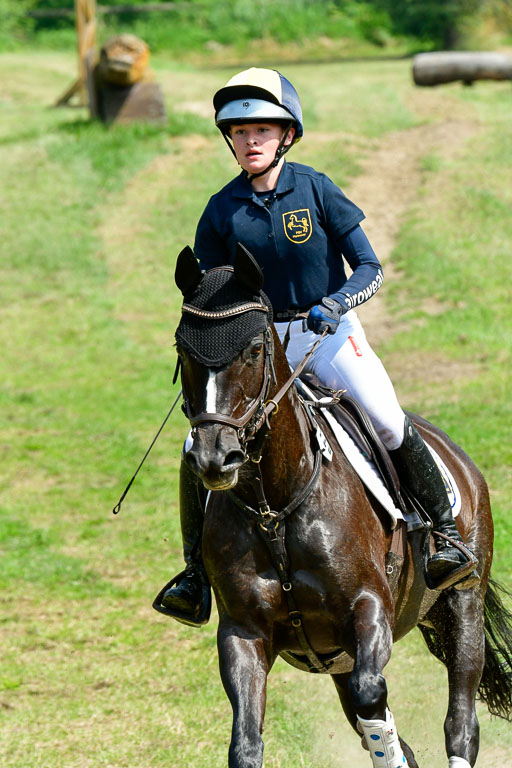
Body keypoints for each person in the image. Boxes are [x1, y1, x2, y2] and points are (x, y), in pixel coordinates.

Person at [156, 68, 476, 624]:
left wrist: (338, 301)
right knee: (195, 445)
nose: (249, 141)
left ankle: (445, 537)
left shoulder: (316, 189)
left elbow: (370, 267)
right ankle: (193, 575)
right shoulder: (220, 209)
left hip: (326, 335)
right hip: (256, 347)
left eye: (261, 130)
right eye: (239, 132)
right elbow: (211, 288)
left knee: (385, 418)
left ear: (287, 135)